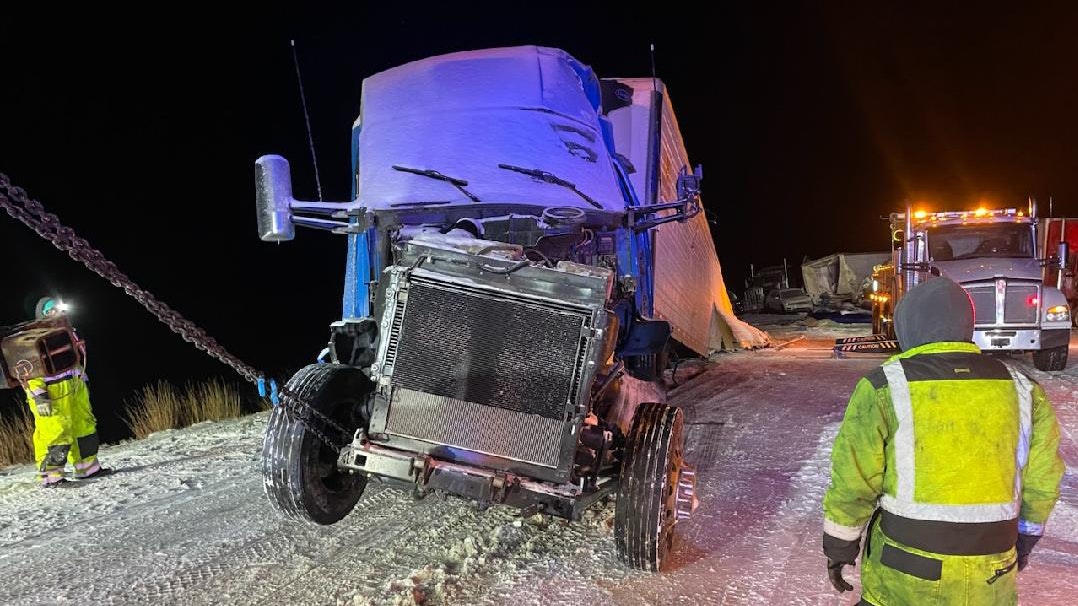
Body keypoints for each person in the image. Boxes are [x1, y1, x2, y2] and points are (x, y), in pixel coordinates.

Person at [822, 277, 1064, 604]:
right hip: (991, 572)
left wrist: (840, 546)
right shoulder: (1023, 390)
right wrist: (1025, 538)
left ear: (908, 327)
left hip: (905, 572)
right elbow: (1042, 478)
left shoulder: (884, 387)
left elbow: (854, 479)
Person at [23, 297, 109, 487]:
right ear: (42, 315)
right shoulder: (35, 337)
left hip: (75, 386)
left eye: (58, 308)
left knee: (84, 425)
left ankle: (87, 467)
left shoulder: (70, 331)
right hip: (51, 391)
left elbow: (77, 359)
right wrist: (39, 395)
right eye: (50, 310)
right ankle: (50, 475)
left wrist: (82, 382)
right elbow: (29, 371)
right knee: (55, 431)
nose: (56, 312)